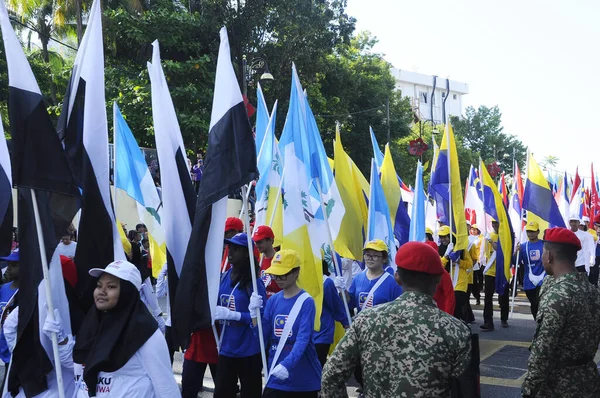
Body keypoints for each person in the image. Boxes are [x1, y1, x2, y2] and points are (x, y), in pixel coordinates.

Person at [321, 241, 472, 397]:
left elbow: (331, 375)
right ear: (438, 280)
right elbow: (467, 390)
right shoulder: (456, 331)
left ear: (397, 278)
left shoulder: (365, 320)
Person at [71, 260, 180, 397]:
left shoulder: (145, 334)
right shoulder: (91, 326)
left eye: (111, 287)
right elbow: (77, 369)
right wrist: (61, 343)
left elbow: (166, 388)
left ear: (127, 292)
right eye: (99, 286)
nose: (102, 292)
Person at [521, 227, 600, 397]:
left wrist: (529, 390)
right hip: (589, 381)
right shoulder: (592, 291)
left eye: (543, 253)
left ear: (549, 256)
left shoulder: (557, 297)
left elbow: (542, 352)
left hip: (558, 386)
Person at [249, 249, 322, 397]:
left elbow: (303, 340)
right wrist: (254, 315)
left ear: (296, 272)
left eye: (283, 274)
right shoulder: (273, 300)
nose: (278, 278)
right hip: (276, 376)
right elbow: (262, 338)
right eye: (276, 274)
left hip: (302, 380)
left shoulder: (306, 302)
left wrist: (287, 365)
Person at [341, 239, 402, 391]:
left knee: (378, 371)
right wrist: (343, 291)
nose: (370, 258)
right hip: (362, 334)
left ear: (384, 258)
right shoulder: (359, 278)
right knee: (359, 368)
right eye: (367, 255)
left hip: (383, 336)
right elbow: (351, 303)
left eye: (375, 255)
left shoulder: (392, 282)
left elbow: (399, 310)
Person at [213, 232, 267, 398]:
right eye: (230, 247)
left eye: (236, 249)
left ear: (246, 253)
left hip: (248, 350)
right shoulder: (222, 277)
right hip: (226, 348)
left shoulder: (255, 284)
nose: (230, 251)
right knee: (222, 393)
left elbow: (262, 318)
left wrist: (235, 315)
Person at [315, 259, 349, 367]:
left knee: (319, 365)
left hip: (322, 333)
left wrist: (346, 322)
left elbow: (335, 306)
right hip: (307, 332)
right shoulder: (303, 282)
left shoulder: (326, 282)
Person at [438, 226, 473, 322]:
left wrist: (458, 261)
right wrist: (446, 255)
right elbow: (439, 266)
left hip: (459, 283)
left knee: (456, 305)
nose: (443, 239)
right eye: (441, 237)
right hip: (446, 283)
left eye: (445, 237)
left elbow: (469, 265)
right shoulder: (439, 250)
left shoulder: (461, 250)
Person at [481, 220, 509, 331]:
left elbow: (501, 250)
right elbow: (484, 252)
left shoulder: (505, 236)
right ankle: (488, 322)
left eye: (497, 222)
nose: (495, 225)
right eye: (493, 223)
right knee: (487, 297)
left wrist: (492, 242)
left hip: (503, 271)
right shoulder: (488, 236)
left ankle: (504, 318)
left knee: (503, 297)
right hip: (490, 271)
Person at [515, 221, 545, 319]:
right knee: (534, 303)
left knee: (541, 303)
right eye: (528, 231)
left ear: (538, 231)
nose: (530, 233)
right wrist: (516, 253)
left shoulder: (544, 244)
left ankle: (542, 324)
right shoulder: (523, 246)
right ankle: (537, 322)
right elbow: (516, 262)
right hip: (529, 281)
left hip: (543, 279)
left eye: (533, 231)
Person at [0, 250, 18, 385]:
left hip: (15, 350)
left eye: (14, 264)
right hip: (2, 346)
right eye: (9, 263)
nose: (9, 267)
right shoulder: (4, 288)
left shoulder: (29, 290)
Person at [424, 240, 455, 315]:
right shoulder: (418, 272)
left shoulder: (443, 274)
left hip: (439, 315)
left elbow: (450, 298)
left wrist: (448, 317)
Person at [252, 225, 281, 298]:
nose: (257, 245)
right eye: (256, 242)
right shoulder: (258, 262)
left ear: (271, 241)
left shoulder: (280, 260)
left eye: (260, 242)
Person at [469, 224, 484, 305]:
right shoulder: (462, 238)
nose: (473, 230)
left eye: (475, 229)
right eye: (472, 229)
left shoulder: (478, 238)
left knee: (474, 284)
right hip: (464, 267)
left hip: (474, 266)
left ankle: (477, 297)